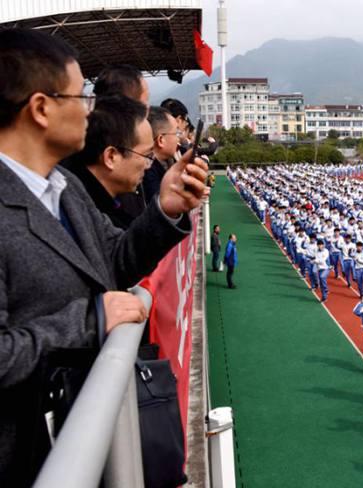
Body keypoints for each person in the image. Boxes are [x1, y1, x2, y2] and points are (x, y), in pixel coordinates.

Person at [0, 28, 207, 485]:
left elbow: (114, 258)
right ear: (40, 109)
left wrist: (165, 208)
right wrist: (90, 322)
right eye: (79, 97)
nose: (90, 109)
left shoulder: (64, 187)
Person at [61, 94, 153, 228]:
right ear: (111, 157)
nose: (148, 166)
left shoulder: (102, 203)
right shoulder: (80, 217)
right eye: (146, 155)